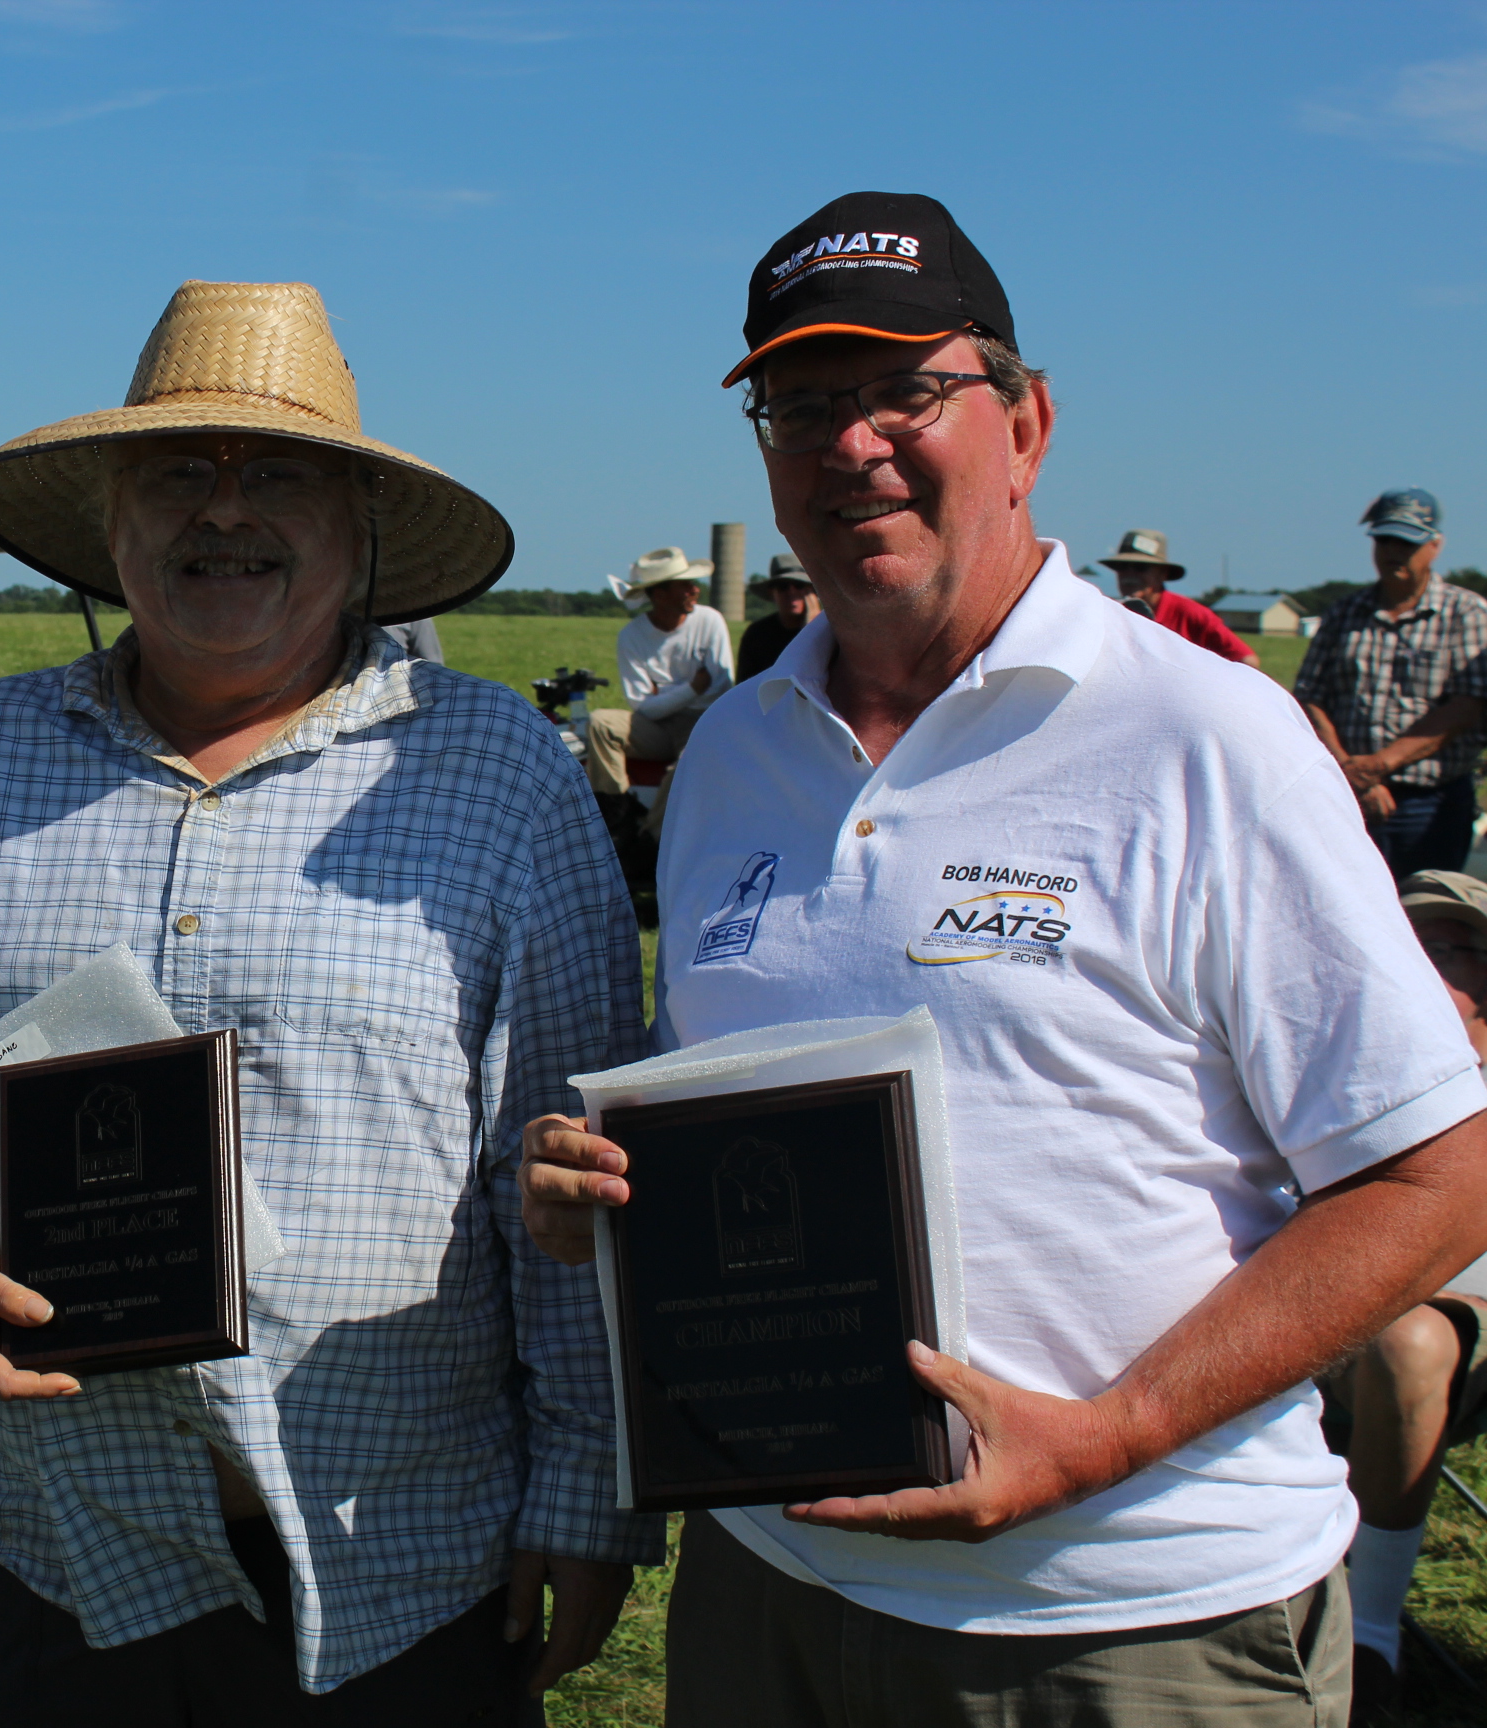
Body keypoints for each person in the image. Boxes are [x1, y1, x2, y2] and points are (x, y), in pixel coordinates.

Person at [519, 190, 1487, 1725]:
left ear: (1025, 424)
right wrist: (606, 1192)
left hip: (1127, 1621)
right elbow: (724, 1105)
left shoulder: (1205, 738)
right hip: (769, 1588)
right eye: (802, 405)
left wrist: (1111, 1434)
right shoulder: (734, 757)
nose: (851, 444)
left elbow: (1438, 1174)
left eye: (906, 391)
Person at [0, 279, 652, 1724]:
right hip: (62, 1556)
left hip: (401, 1565)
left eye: (281, 476)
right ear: (112, 518)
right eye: (179, 472)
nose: (225, 513)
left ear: (361, 527)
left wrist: (584, 1486)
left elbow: (561, 1157)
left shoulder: (498, 773)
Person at [1321, 868, 1487, 1723]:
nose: (1432, 964)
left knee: (1408, 1343)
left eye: (1457, 948)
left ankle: (1371, 1636)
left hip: (1449, 1324)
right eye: (1417, 945)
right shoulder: (1333, 1067)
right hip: (1320, 1315)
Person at [1295, 489, 1487, 876]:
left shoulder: (1466, 613)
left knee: (1423, 904)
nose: (1393, 552)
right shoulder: (1345, 612)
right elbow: (1309, 698)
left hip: (1429, 800)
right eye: (1384, 541)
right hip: (1344, 791)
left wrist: (1378, 766)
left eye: (1406, 543)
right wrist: (1351, 772)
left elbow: (1466, 706)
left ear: (1435, 546)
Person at [580, 546, 734, 800]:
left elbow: (718, 688)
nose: (695, 590)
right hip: (655, 728)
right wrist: (692, 688)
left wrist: (661, 694)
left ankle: (652, 825)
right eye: (685, 585)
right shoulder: (631, 635)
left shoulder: (710, 621)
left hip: (701, 722)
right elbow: (643, 707)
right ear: (660, 595)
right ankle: (614, 805)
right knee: (600, 722)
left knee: (686, 767)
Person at [1096, 529, 1260, 666]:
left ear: (1162, 573)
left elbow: (1247, 661)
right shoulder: (1109, 613)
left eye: (1140, 567)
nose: (1129, 574)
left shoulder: (1191, 614)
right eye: (1122, 567)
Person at [733, 552, 820, 683]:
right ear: (772, 593)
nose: (792, 592)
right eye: (783, 586)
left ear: (812, 591)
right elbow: (744, 684)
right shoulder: (757, 634)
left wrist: (814, 628)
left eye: (799, 585)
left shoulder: (831, 632)